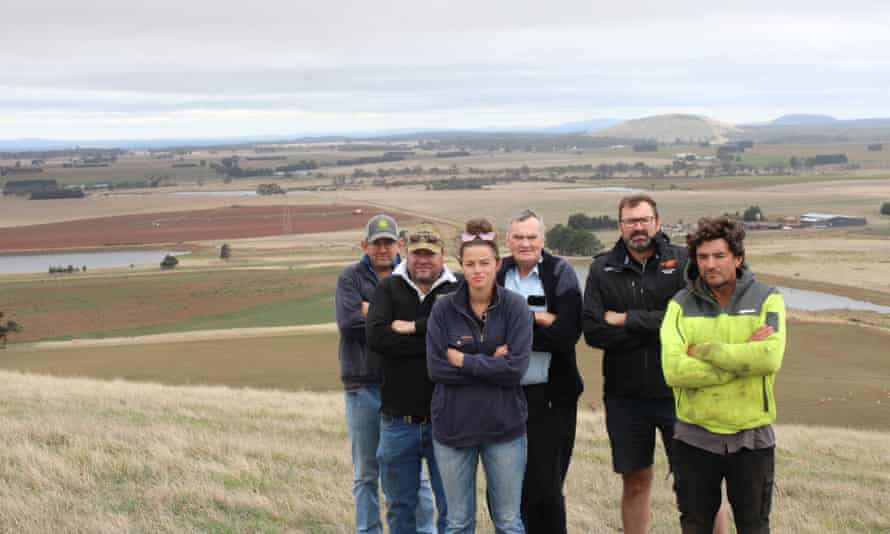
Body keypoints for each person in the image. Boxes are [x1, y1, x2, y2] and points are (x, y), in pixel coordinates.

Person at [582, 195, 730, 534]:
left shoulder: (683, 262)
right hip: (625, 397)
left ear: (657, 222)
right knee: (635, 481)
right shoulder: (602, 268)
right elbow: (593, 331)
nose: (638, 227)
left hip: (682, 392)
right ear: (620, 226)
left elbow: (695, 321)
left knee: (697, 483)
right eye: (630, 221)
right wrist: (661, 328)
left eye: (644, 219)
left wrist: (626, 319)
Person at [661, 217, 786, 534]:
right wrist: (742, 356)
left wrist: (708, 351)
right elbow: (674, 370)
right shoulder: (679, 306)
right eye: (702, 257)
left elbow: (769, 358)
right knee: (695, 526)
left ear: (738, 258)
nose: (710, 264)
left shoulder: (767, 299)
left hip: (752, 439)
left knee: (754, 527)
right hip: (694, 437)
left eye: (719, 256)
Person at [426, 218, 532, 534]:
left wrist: (464, 360)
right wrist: (491, 361)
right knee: (458, 523)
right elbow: (437, 368)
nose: (477, 270)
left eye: (484, 262)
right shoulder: (442, 309)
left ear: (497, 263)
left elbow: (515, 369)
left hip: (505, 428)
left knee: (509, 522)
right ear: (461, 266)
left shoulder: (515, 308)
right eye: (470, 264)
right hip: (453, 429)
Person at [335, 214, 436, 534]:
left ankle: (425, 530)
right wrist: (388, 322)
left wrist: (374, 313)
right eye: (376, 243)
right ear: (365, 245)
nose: (382, 249)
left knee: (413, 473)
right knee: (366, 473)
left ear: (400, 246)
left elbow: (425, 326)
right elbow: (350, 325)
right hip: (363, 385)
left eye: (388, 243)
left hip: (403, 389)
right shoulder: (350, 278)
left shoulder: (411, 279)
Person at [366, 223, 460, 534]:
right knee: (399, 507)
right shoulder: (387, 288)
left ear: (442, 256)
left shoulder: (456, 289)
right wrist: (436, 341)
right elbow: (378, 339)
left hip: (445, 420)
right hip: (397, 422)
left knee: (453, 509)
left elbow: (462, 339)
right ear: (406, 253)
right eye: (417, 253)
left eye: (430, 255)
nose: (423, 260)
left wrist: (410, 327)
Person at [496, 209, 583, 534]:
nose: (525, 243)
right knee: (507, 488)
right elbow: (485, 331)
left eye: (531, 237)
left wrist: (514, 329)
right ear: (508, 240)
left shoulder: (562, 273)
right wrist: (539, 318)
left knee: (546, 489)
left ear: (543, 240)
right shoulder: (498, 272)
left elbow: (567, 334)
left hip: (550, 397)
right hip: (503, 396)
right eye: (518, 237)